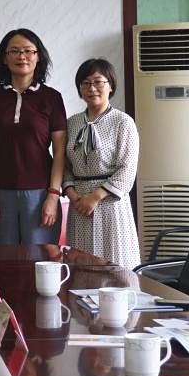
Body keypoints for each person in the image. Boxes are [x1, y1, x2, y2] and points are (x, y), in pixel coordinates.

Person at [0, 28, 66, 244]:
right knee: (4, 259)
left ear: (38, 57)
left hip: (40, 193)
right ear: (4, 58)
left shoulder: (52, 98)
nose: (22, 56)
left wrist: (53, 195)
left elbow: (60, 151)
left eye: (28, 51)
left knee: (40, 258)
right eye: (14, 51)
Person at [62, 58, 141, 269]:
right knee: (81, 267)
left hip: (109, 205)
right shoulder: (72, 123)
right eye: (86, 83)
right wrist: (74, 195)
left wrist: (95, 197)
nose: (92, 88)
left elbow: (127, 169)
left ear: (111, 85)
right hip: (79, 208)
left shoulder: (123, 122)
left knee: (113, 266)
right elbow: (65, 165)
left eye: (98, 82)